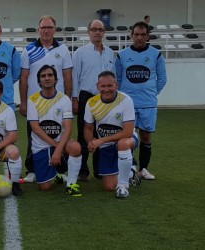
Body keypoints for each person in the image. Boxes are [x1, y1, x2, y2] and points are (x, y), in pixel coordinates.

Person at [19, 15, 73, 183]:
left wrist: (69, 100)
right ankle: (32, 170)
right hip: (35, 103)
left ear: (54, 30)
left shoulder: (63, 50)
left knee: (60, 134)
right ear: (38, 29)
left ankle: (61, 170)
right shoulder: (29, 50)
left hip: (58, 103)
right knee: (33, 136)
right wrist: (23, 101)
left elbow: (67, 77)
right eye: (43, 27)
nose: (46, 30)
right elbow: (24, 78)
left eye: (49, 27)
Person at [115, 21, 167, 180]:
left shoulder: (156, 54)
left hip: (148, 105)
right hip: (128, 105)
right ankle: (131, 166)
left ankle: (143, 169)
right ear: (131, 35)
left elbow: (162, 78)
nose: (139, 38)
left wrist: (151, 93)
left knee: (145, 136)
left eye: (143, 35)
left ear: (148, 36)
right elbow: (117, 78)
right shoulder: (122, 55)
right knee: (127, 136)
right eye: (136, 34)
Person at [27, 65, 83, 196]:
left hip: (60, 144)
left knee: (75, 147)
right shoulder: (33, 100)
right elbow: (35, 128)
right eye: (43, 76)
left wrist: (58, 150)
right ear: (39, 81)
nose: (47, 78)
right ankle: (56, 174)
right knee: (45, 187)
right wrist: (56, 147)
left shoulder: (64, 99)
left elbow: (68, 127)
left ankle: (71, 185)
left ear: (56, 80)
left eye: (50, 75)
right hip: (40, 146)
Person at [71, 19, 116, 182]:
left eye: (100, 30)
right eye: (94, 29)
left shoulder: (111, 53)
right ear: (88, 32)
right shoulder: (80, 53)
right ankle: (83, 170)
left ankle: (100, 169)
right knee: (84, 133)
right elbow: (74, 76)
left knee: (102, 133)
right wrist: (74, 99)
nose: (97, 32)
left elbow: (113, 77)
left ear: (104, 32)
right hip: (86, 97)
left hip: (105, 98)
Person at [84, 71, 138, 198]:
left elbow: (128, 132)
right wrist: (90, 142)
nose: (106, 89)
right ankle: (130, 171)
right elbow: (88, 128)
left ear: (116, 85)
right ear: (97, 86)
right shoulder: (91, 103)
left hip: (127, 139)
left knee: (122, 144)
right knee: (108, 187)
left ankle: (123, 186)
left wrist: (100, 141)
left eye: (110, 86)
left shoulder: (126, 100)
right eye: (103, 86)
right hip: (106, 145)